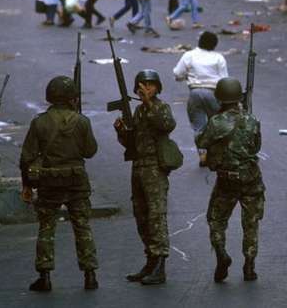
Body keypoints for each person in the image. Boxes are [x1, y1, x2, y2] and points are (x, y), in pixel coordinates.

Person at [20, 76, 99, 292]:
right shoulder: (82, 121)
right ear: (73, 98)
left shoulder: (40, 122)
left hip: (49, 183)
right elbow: (90, 151)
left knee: (46, 228)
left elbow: (27, 156)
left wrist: (27, 185)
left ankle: (44, 276)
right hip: (76, 181)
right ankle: (90, 274)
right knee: (82, 227)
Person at [196, 77, 264, 282]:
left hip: (227, 180)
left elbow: (201, 141)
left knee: (216, 219)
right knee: (251, 223)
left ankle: (221, 255)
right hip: (251, 178)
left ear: (220, 99)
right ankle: (250, 266)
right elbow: (256, 147)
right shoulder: (252, 119)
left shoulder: (217, 122)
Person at [114, 70, 177, 285]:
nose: (146, 89)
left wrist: (150, 103)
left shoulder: (160, 107)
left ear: (157, 88)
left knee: (156, 215)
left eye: (150, 85)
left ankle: (160, 264)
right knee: (141, 214)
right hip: (138, 165)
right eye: (142, 85)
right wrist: (122, 132)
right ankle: (150, 260)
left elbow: (166, 125)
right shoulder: (138, 111)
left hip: (154, 166)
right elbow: (131, 143)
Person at [174, 32, 229, 167]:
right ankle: (218, 154)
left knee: (198, 126)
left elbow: (177, 73)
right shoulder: (218, 58)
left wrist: (186, 76)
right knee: (216, 123)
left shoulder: (189, 55)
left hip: (195, 93)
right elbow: (224, 80)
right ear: (215, 45)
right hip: (213, 93)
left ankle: (203, 154)